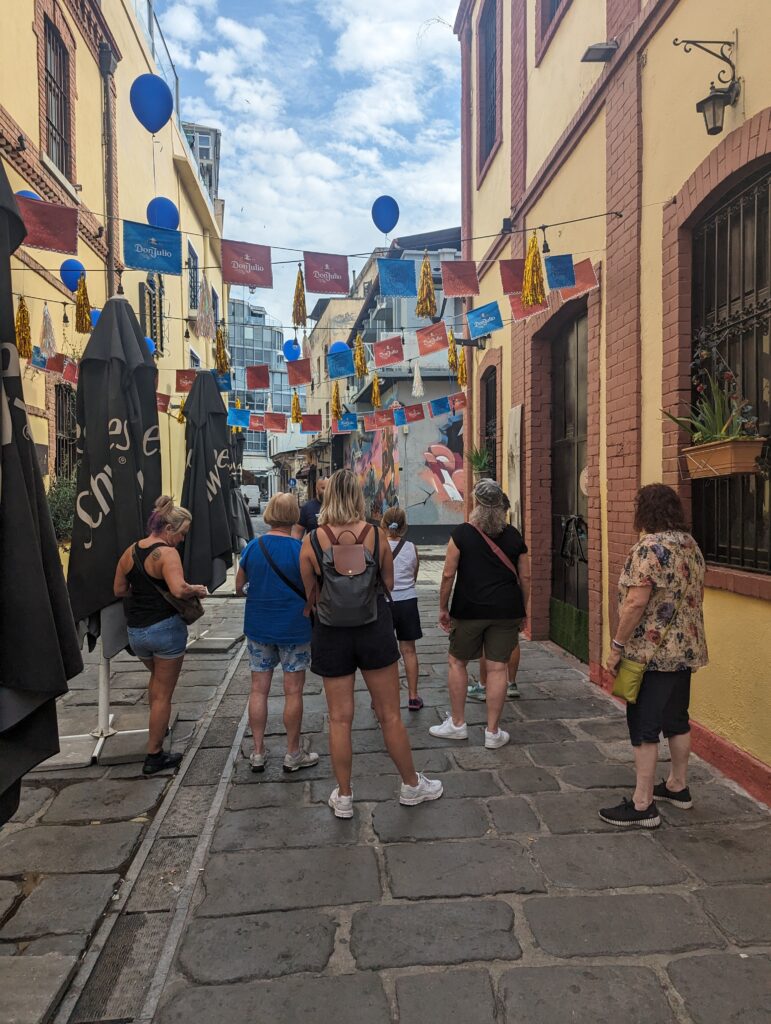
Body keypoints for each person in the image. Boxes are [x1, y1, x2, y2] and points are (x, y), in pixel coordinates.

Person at [300, 469, 443, 818]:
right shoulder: (376, 535)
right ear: (358, 498)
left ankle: (345, 796)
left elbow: (310, 593)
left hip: (331, 632)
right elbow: (389, 584)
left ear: (328, 497)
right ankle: (411, 786)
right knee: (390, 714)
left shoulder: (312, 540)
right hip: (374, 627)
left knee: (338, 719)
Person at [599, 484, 707, 829]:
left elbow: (635, 602)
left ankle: (643, 804)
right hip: (685, 650)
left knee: (644, 724)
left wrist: (616, 646)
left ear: (644, 512)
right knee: (677, 718)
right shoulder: (691, 546)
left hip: (651, 654)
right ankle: (678, 786)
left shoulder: (649, 548)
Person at [431, 479, 530, 749]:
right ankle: (492, 732)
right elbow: (525, 577)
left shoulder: (461, 534)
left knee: (457, 662)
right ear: (501, 506)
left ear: (476, 504)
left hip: (469, 609)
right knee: (498, 668)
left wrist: (443, 607)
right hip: (506, 610)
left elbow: (448, 574)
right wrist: (524, 609)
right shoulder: (514, 535)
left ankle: (458, 724)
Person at [113, 495, 208, 776]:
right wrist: (196, 589)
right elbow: (178, 590)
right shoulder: (167, 554)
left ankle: (156, 729)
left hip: (136, 632)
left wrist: (140, 594)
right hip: (165, 629)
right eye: (181, 534)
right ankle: (154, 754)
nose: (181, 539)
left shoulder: (130, 552)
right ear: (169, 529)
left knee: (156, 684)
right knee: (163, 695)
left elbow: (119, 589)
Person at [236, 493, 319, 774]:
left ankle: (258, 752)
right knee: (293, 691)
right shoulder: (300, 549)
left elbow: (239, 586)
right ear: (294, 515)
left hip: (259, 627)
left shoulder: (253, 547)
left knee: (258, 689)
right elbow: (313, 593)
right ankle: (292, 753)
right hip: (295, 627)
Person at [381, 507, 424, 711]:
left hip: (384, 602)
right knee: (409, 651)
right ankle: (413, 697)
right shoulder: (412, 547)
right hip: (408, 601)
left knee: (385, 653)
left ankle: (381, 698)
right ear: (405, 526)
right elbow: (414, 576)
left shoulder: (378, 547)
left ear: (383, 524)